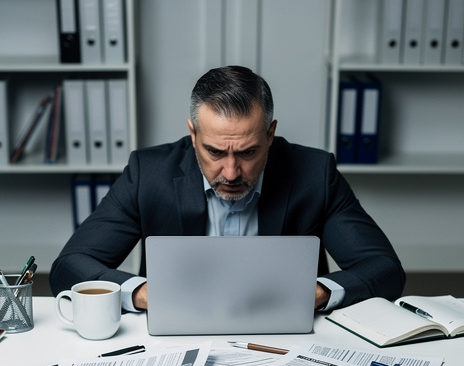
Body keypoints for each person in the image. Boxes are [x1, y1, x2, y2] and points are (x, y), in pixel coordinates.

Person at [50, 65, 405, 313]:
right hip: (175, 336)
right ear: (193, 135)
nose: (232, 172)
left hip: (286, 339)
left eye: (249, 152)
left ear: (270, 134)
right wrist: (142, 293)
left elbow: (384, 270)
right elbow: (69, 266)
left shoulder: (315, 173)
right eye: (215, 152)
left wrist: (320, 291)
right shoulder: (149, 173)